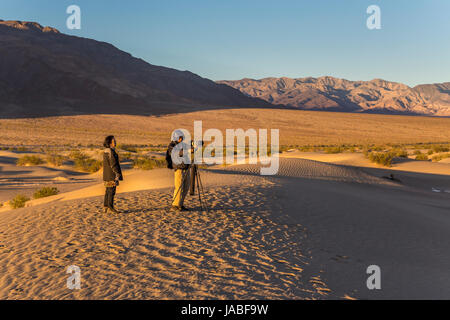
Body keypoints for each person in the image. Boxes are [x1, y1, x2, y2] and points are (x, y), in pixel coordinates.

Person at [166, 130, 191, 211]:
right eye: (180, 137)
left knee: (186, 187)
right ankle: (175, 205)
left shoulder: (183, 145)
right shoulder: (172, 145)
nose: (181, 139)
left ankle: (180, 204)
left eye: (182, 137)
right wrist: (186, 151)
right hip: (179, 168)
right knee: (179, 187)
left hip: (186, 168)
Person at [103, 135, 123, 213]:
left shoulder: (107, 151)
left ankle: (106, 206)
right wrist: (117, 174)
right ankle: (110, 208)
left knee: (108, 190)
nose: (115, 142)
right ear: (109, 143)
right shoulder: (110, 151)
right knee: (111, 191)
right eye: (113, 141)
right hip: (111, 175)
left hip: (107, 175)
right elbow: (113, 164)